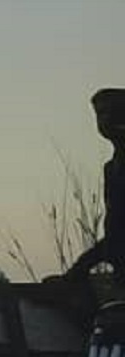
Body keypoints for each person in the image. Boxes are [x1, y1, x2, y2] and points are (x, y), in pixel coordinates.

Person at [65, 88, 125, 285]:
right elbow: (115, 233)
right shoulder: (112, 168)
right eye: (100, 113)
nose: (105, 120)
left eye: (112, 112)